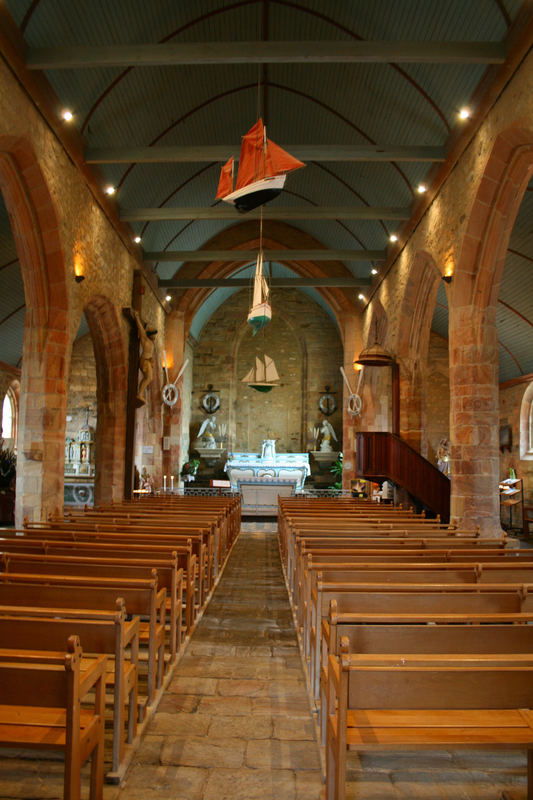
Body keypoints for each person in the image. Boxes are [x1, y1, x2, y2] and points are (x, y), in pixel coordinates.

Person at [133, 310, 156, 406]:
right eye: (154, 333)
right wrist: (137, 317)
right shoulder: (145, 339)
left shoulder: (151, 343)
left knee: (149, 378)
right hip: (144, 361)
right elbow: (140, 329)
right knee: (149, 378)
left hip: (148, 361)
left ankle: (140, 393)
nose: (155, 336)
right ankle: (139, 394)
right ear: (149, 334)